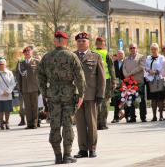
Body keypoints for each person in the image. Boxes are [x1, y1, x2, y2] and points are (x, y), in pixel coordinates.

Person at [38, 30, 86, 164]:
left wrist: (45, 93)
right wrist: (81, 94)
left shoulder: (46, 57)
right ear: (65, 41)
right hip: (68, 94)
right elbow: (80, 77)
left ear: (55, 41)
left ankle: (57, 156)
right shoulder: (71, 56)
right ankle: (67, 155)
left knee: (54, 125)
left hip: (52, 94)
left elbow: (40, 77)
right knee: (67, 125)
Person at [73, 32, 105, 159]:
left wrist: (100, 94)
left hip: (91, 95)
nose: (81, 43)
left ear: (88, 43)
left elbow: (101, 78)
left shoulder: (95, 56)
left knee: (91, 124)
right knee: (80, 124)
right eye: (79, 41)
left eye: (84, 41)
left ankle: (92, 148)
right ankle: (82, 149)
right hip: (76, 96)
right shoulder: (73, 56)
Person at [15, 46, 40, 129]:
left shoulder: (37, 62)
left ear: (31, 52)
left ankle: (35, 123)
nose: (27, 53)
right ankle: (29, 123)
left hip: (34, 88)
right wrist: (20, 88)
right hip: (25, 88)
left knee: (35, 106)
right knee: (27, 107)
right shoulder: (20, 64)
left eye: (28, 51)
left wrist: (40, 87)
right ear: (24, 54)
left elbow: (41, 75)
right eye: (25, 52)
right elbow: (18, 77)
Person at [95, 37, 115, 130]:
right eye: (104, 42)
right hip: (106, 81)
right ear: (102, 43)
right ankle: (103, 124)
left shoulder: (92, 53)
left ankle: (97, 123)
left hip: (95, 81)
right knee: (105, 102)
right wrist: (114, 81)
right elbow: (111, 69)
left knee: (96, 102)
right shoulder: (106, 54)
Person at [123, 43, 147, 122]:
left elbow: (141, 67)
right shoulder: (126, 59)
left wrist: (130, 73)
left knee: (141, 100)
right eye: (131, 48)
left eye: (134, 48)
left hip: (139, 82)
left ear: (137, 48)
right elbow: (123, 68)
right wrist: (126, 74)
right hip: (129, 83)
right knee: (130, 99)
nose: (132, 49)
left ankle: (143, 117)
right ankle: (132, 117)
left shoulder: (141, 57)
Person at [145, 43, 165, 121]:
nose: (154, 51)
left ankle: (161, 115)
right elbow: (146, 66)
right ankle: (154, 116)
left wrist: (156, 71)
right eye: (152, 49)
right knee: (153, 99)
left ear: (158, 49)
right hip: (151, 80)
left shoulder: (161, 57)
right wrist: (149, 71)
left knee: (160, 98)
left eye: (155, 49)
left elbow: (162, 66)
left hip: (159, 79)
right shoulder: (148, 57)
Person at [0, 59, 16, 130]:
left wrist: (8, 91)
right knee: (0, 110)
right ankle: (1, 123)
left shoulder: (10, 73)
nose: (1, 66)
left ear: (5, 65)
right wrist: (2, 92)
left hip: (8, 95)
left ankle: (7, 123)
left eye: (2, 64)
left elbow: (13, 83)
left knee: (7, 110)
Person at [112, 50, 125, 123]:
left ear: (124, 55)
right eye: (119, 54)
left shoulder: (126, 62)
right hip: (116, 84)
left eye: (121, 54)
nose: (120, 55)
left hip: (126, 83)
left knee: (125, 100)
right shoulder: (114, 63)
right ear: (117, 55)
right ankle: (115, 117)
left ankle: (129, 116)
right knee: (116, 101)